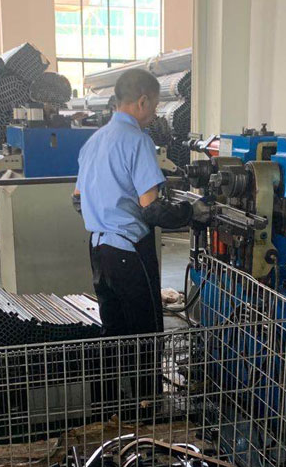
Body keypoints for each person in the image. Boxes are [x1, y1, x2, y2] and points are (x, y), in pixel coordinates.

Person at [73, 68, 207, 337]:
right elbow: (153, 211)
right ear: (143, 101)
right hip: (129, 253)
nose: (155, 114)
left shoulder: (93, 141)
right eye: (155, 106)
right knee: (146, 337)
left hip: (98, 251)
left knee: (115, 334)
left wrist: (109, 213)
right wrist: (192, 211)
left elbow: (77, 200)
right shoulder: (138, 141)